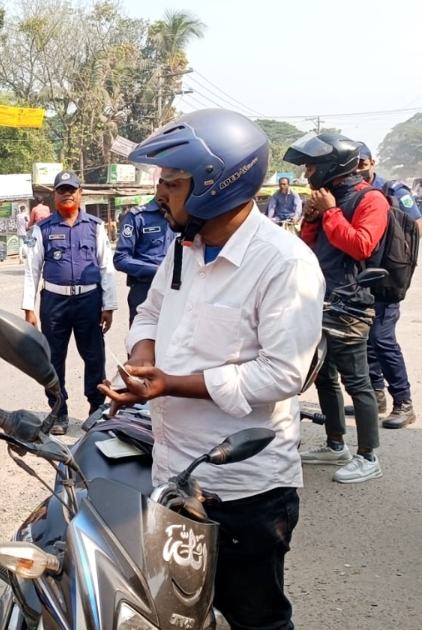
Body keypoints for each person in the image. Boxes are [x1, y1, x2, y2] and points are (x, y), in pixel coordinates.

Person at [103, 109, 324, 630]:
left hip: (242, 488)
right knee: (180, 612)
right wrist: (143, 359)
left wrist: (171, 384)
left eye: (172, 183)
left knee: (255, 619)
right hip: (171, 474)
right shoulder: (186, 247)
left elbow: (282, 374)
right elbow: (151, 312)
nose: (160, 194)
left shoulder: (284, 263)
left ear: (215, 185)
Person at [287, 133, 388, 484]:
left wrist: (330, 211)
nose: (307, 174)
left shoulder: (371, 199)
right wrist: (313, 217)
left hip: (351, 304)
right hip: (320, 299)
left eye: (311, 167)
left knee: (357, 381)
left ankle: (368, 456)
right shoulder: (327, 198)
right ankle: (335, 445)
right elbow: (309, 250)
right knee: (324, 377)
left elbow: (361, 246)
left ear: (332, 165)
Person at [22, 170, 117, 434]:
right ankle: (58, 411)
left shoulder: (95, 226)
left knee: (94, 356)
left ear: (80, 193)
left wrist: (108, 305)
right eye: (62, 190)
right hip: (54, 302)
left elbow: (106, 267)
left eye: (71, 190)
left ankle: (96, 408)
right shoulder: (42, 229)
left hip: (89, 300)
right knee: (53, 358)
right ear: (54, 195)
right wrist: (28, 308)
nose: (67, 194)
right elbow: (32, 269)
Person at [357, 143, 422, 429]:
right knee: (366, 339)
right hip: (362, 277)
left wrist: (384, 233)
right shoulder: (351, 192)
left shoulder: (393, 190)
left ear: (372, 162)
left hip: (388, 276)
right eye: (354, 165)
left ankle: (404, 403)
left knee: (383, 339)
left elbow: (418, 227)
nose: (359, 169)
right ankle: (376, 395)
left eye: (362, 163)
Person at [113, 200, 172, 325]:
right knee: (142, 334)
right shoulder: (137, 217)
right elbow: (120, 259)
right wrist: (157, 270)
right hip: (145, 289)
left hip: (177, 289)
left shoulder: (184, 216)